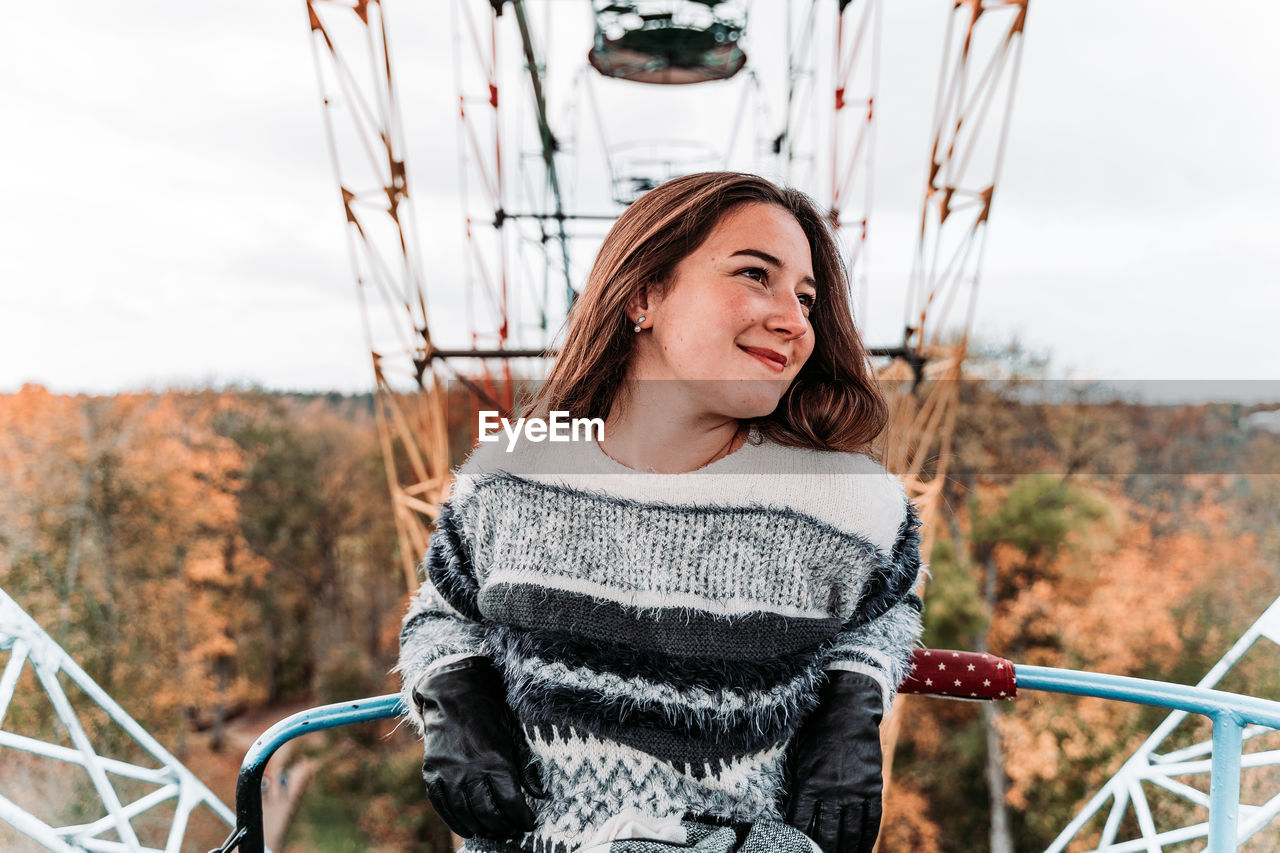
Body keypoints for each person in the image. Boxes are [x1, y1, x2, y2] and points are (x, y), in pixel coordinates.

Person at [395, 171, 924, 853]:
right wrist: (452, 694)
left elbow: (887, 605)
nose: (795, 321)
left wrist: (854, 698)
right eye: (755, 275)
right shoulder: (508, 475)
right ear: (643, 294)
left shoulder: (847, 500)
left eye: (805, 297)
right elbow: (443, 610)